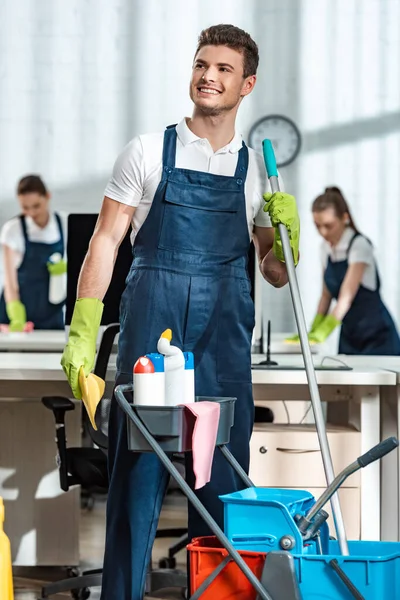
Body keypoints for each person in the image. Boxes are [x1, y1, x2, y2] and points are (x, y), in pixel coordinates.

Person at [60, 24, 300, 599]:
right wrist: (83, 331)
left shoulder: (256, 175)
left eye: (223, 69)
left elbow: (272, 271)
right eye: (201, 65)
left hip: (223, 335)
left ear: (248, 85)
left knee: (223, 478)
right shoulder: (146, 151)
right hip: (152, 325)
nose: (208, 77)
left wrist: (286, 236)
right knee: (138, 470)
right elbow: (105, 242)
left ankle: (217, 592)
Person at [292, 186, 400, 354]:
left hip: (377, 336)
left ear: (345, 218)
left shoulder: (359, 246)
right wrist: (313, 331)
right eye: (317, 225)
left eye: (328, 225)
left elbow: (345, 298)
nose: (322, 232)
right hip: (350, 335)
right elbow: (326, 295)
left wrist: (324, 331)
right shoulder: (325, 249)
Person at [0, 175, 66, 331]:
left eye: (36, 206)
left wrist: (65, 271)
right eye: (25, 207)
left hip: (52, 313)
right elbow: (10, 282)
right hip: (19, 310)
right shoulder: (12, 229)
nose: (31, 212)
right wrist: (15, 315)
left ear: (47, 197)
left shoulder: (63, 223)